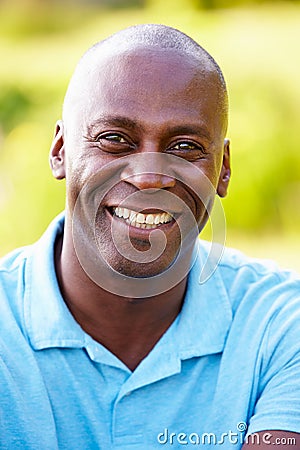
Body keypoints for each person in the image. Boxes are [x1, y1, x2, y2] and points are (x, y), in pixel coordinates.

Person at [0, 24, 299, 450]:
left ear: (224, 169)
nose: (150, 176)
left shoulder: (283, 326)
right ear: (60, 151)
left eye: (185, 146)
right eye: (115, 140)